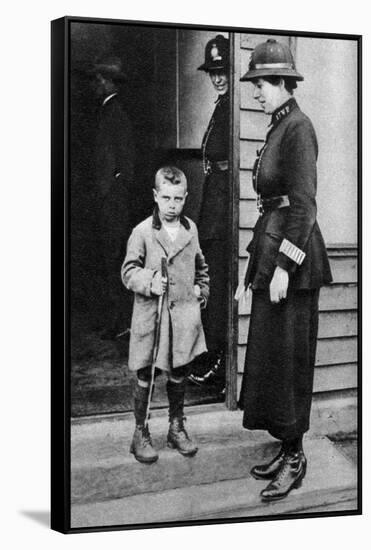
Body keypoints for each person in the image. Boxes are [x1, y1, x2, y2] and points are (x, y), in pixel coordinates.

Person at [238, 39, 333, 501]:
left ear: (282, 83)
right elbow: (269, 207)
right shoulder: (278, 127)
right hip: (272, 250)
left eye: (260, 83)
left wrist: (283, 267)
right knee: (274, 361)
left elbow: (304, 207)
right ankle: (285, 445)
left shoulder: (299, 128)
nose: (256, 92)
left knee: (291, 363)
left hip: (294, 262)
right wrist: (253, 269)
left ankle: (296, 458)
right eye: (255, 83)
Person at [121, 166, 210, 463]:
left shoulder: (191, 230)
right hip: (153, 317)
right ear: (156, 196)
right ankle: (140, 432)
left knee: (180, 370)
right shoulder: (143, 231)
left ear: (185, 197)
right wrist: (149, 281)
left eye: (178, 199)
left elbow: (201, 267)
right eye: (166, 198)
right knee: (147, 372)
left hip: (183, 316)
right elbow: (128, 272)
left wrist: (202, 290)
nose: (172, 205)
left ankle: (175, 427)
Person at [188, 35, 230, 389]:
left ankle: (218, 359)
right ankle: (210, 353)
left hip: (224, 213)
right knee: (209, 284)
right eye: (213, 71)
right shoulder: (222, 105)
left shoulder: (234, 109)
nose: (217, 77)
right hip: (212, 209)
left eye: (222, 70)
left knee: (216, 287)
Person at [90, 56, 135, 340]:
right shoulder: (107, 113)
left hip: (115, 204)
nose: (95, 86)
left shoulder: (116, 114)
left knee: (116, 258)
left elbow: (126, 165)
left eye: (98, 81)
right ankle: (114, 319)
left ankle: (121, 322)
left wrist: (112, 191)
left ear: (107, 82)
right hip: (108, 202)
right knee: (108, 259)